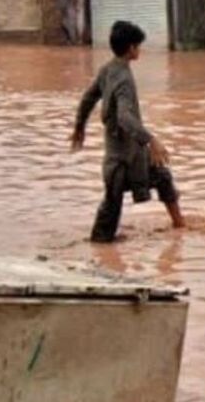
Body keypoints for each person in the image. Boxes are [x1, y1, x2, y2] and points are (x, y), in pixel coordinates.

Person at [71, 20, 183, 243]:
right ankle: (99, 250)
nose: (139, 50)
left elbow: (88, 98)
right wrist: (151, 140)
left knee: (161, 177)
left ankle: (179, 226)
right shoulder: (123, 78)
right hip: (124, 162)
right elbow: (124, 117)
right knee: (109, 218)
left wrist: (79, 127)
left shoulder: (107, 70)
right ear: (131, 48)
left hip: (122, 158)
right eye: (138, 46)